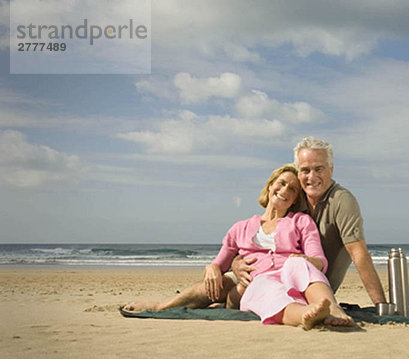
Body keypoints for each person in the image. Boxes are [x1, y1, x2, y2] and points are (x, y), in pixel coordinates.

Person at [124, 164, 353, 329]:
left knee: (298, 266)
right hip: (260, 279)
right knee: (262, 290)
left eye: (292, 189)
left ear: (295, 199)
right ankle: (306, 315)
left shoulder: (301, 221)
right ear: (270, 186)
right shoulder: (241, 227)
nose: (285, 190)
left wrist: (301, 259)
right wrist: (212, 267)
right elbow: (220, 263)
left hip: (291, 275)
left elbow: (320, 262)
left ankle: (332, 309)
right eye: (281, 183)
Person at [233, 137, 386, 307]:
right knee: (221, 289)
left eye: (319, 169)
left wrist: (381, 305)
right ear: (298, 173)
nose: (312, 177)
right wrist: (236, 264)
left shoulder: (342, 201)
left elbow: (359, 253)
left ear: (331, 170)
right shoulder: (293, 200)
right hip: (273, 279)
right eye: (305, 170)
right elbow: (263, 243)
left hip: (313, 290)